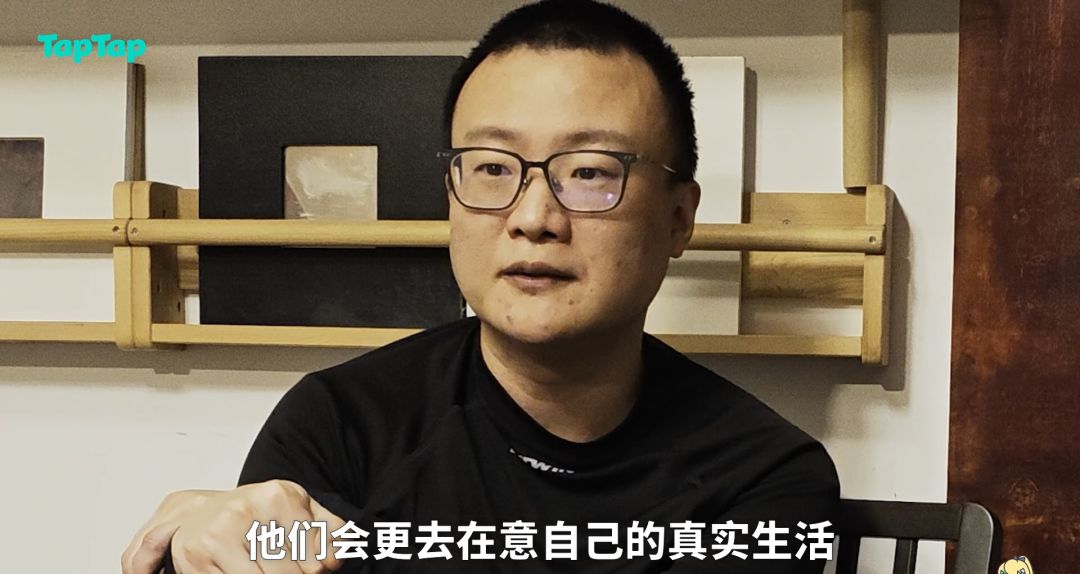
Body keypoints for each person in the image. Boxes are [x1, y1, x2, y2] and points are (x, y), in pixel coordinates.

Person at [122, 1, 839, 572]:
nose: (533, 218)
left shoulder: (766, 478)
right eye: (493, 168)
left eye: (591, 172)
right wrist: (210, 551)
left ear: (679, 218)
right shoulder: (340, 423)